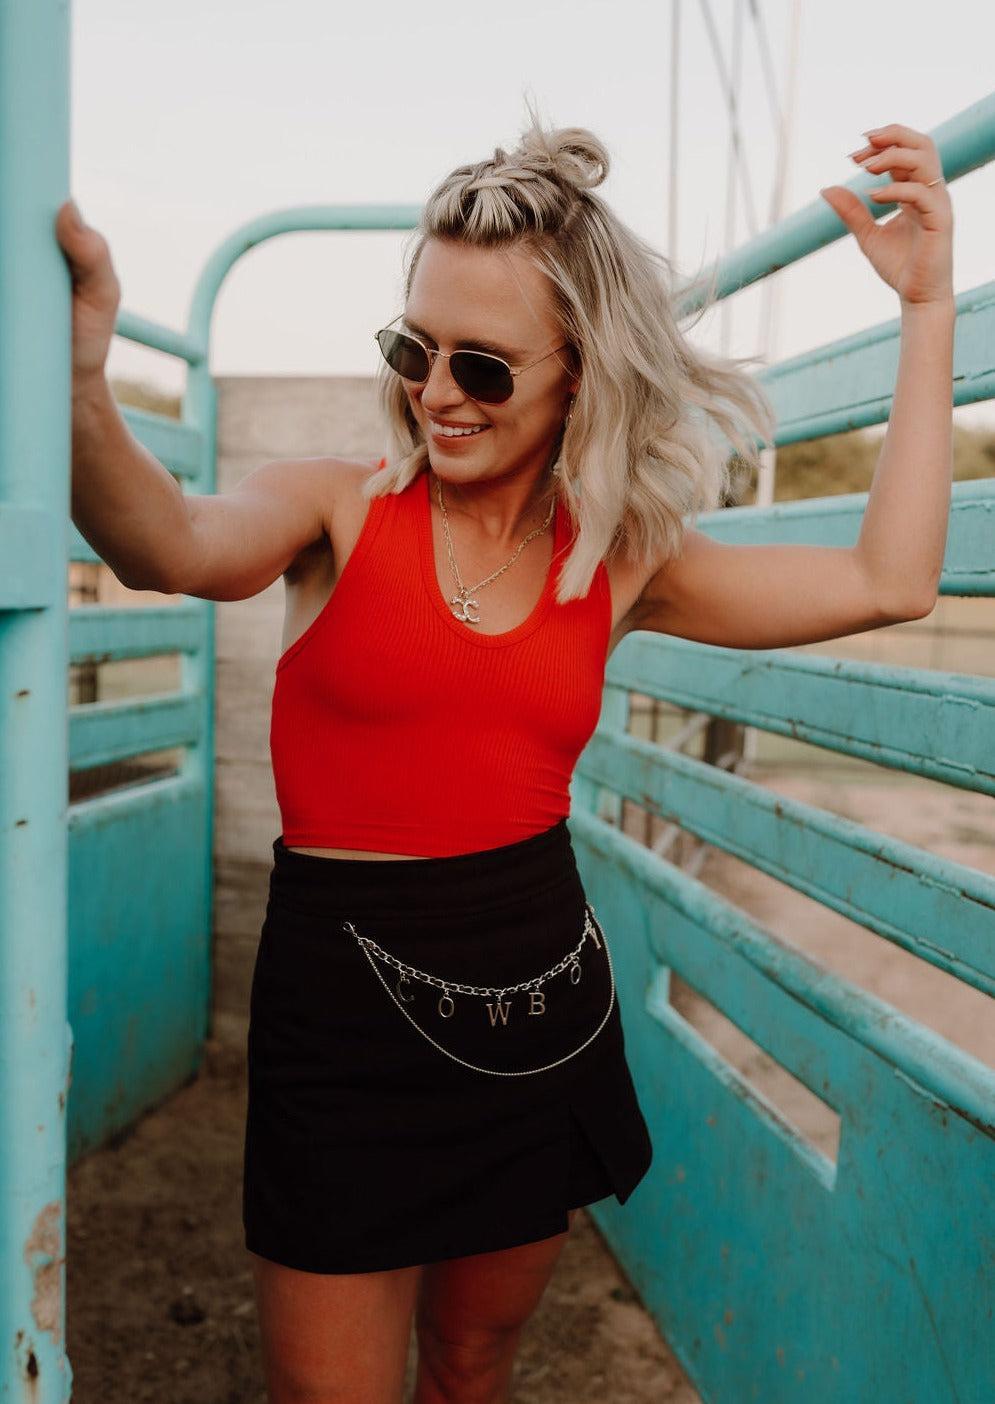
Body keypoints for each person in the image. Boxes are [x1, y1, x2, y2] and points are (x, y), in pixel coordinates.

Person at [57, 106, 953, 1404]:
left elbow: (889, 580)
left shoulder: (620, 556)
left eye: (482, 368)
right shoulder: (335, 507)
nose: (433, 393)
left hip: (539, 1004)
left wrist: (927, 311)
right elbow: (169, 545)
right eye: (412, 348)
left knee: (474, 1367)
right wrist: (81, 392)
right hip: (338, 1010)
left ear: (579, 373)